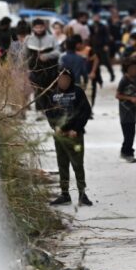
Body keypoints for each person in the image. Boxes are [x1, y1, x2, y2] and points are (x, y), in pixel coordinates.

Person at [47, 68, 93, 207]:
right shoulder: (53, 94)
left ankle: (82, 194)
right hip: (60, 136)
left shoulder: (77, 92)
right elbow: (49, 113)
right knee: (62, 164)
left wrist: (76, 128)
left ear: (71, 80)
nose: (64, 82)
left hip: (75, 136)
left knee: (78, 164)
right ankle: (64, 194)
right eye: (61, 79)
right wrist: (55, 127)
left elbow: (85, 111)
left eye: (66, 79)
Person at [23, 19, 60, 115]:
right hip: (35, 69)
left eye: (41, 27)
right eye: (36, 27)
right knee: (38, 89)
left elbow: (58, 52)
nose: (39, 29)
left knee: (49, 89)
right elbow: (24, 54)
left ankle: (49, 110)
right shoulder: (28, 39)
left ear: (44, 27)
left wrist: (47, 55)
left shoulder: (51, 38)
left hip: (50, 69)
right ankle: (39, 110)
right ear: (33, 28)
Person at [116, 59, 136, 163]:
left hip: (132, 112)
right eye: (133, 69)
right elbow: (117, 95)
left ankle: (126, 151)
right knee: (128, 135)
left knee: (131, 134)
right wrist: (130, 99)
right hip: (124, 112)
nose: (135, 71)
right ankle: (127, 153)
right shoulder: (124, 80)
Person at [90, 12, 115, 82]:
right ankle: (98, 78)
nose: (95, 18)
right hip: (94, 47)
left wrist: (106, 44)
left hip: (102, 46)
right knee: (95, 63)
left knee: (106, 62)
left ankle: (112, 74)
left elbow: (107, 36)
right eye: (94, 17)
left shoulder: (103, 26)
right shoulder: (91, 26)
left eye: (97, 17)